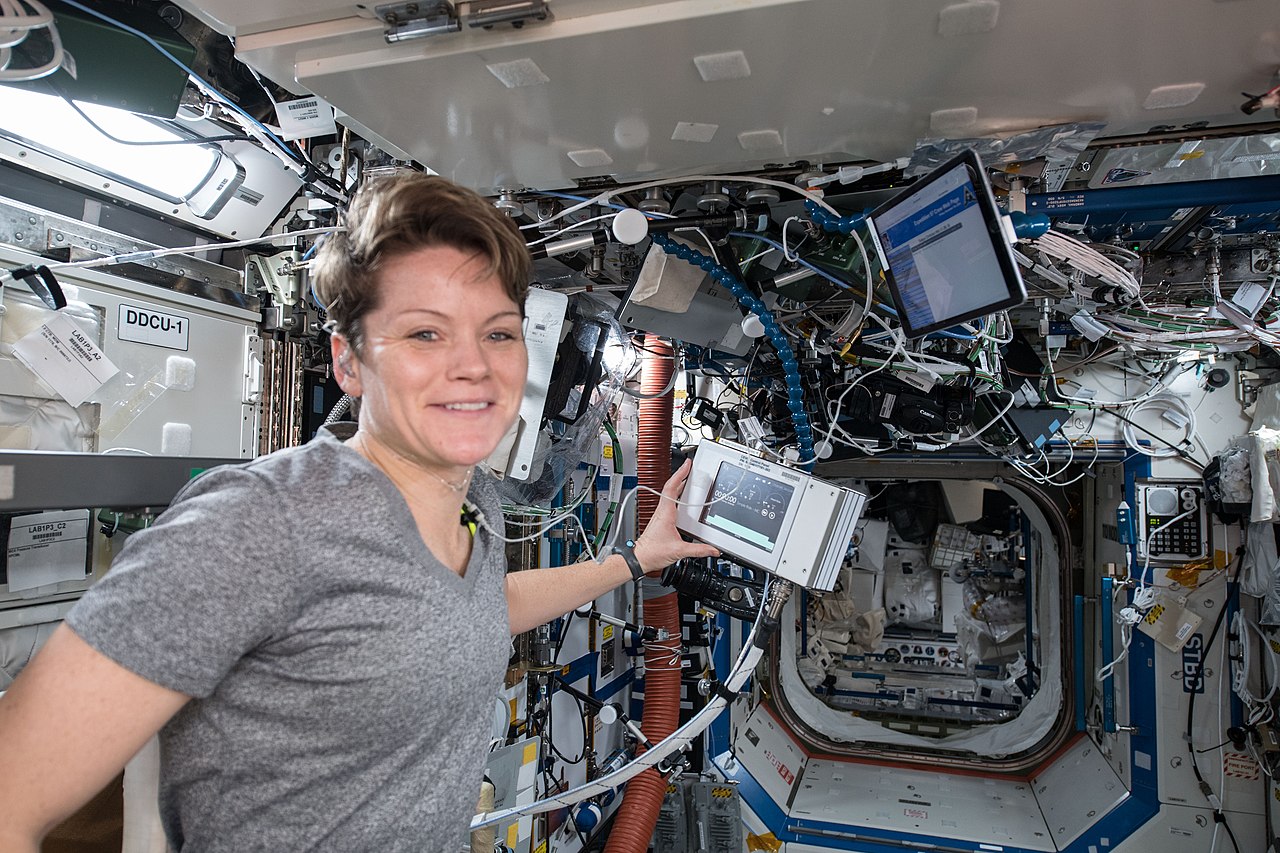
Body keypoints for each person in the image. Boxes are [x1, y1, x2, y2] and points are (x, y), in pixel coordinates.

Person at [0, 173, 717, 852]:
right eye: (425, 333)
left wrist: (634, 559)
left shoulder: (476, 503)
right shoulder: (263, 522)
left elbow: (474, 607)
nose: (473, 364)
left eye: (498, 332)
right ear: (349, 362)